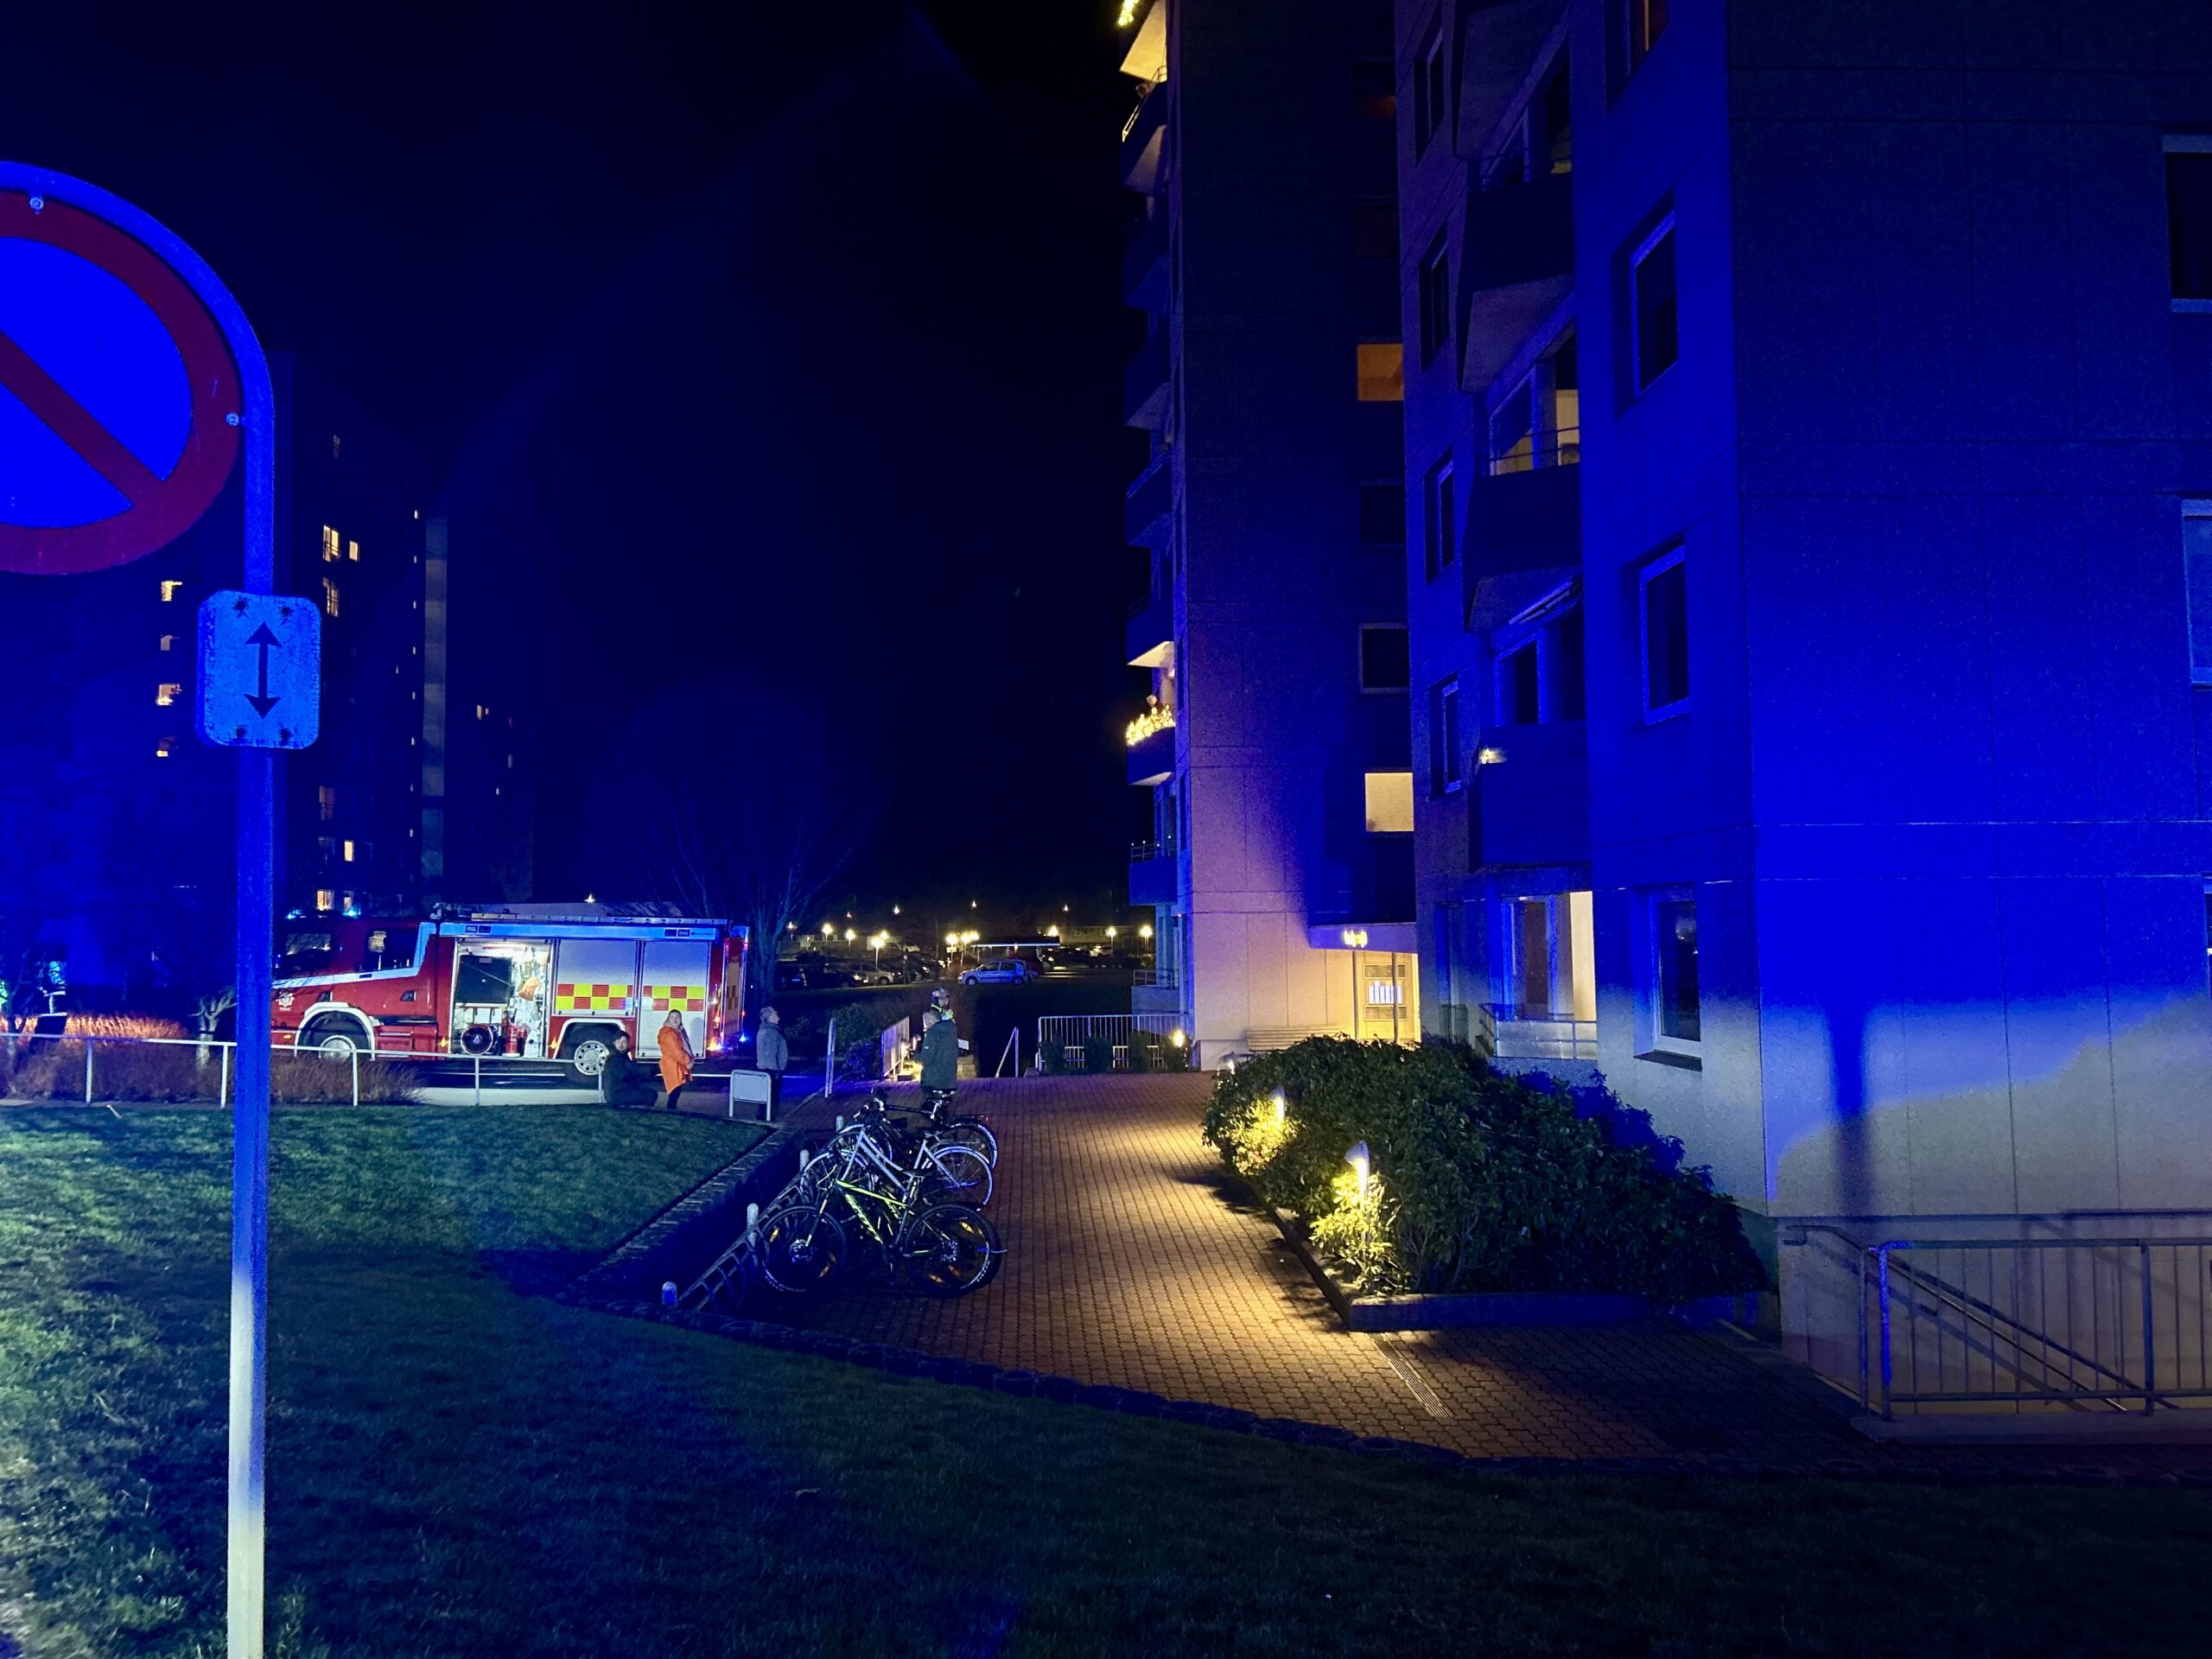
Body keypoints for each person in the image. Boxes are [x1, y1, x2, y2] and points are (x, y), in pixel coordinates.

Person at [600, 1032, 656, 1109]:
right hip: (615, 1095)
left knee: (647, 1091)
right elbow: (625, 1077)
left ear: (628, 1043)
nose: (621, 1044)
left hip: (622, 1091)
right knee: (651, 1095)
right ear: (614, 1043)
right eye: (618, 1042)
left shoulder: (623, 1057)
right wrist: (639, 1079)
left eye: (624, 1042)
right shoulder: (614, 1059)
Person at [918, 989, 959, 1095]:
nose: (945, 1001)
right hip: (935, 1049)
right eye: (941, 999)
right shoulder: (933, 1013)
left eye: (946, 998)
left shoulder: (946, 1012)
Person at [656, 1009, 694, 1111]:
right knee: (674, 1091)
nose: (675, 1020)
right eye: (672, 1018)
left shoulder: (676, 1032)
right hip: (673, 1066)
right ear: (668, 1019)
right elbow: (676, 1051)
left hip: (674, 1064)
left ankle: (671, 1112)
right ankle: (671, 1113)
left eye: (677, 1017)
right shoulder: (670, 1034)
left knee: (675, 1091)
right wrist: (688, 1060)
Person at [754, 1004, 788, 1114]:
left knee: (764, 1098)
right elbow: (770, 1052)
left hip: (766, 1069)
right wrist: (777, 1070)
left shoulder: (764, 1031)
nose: (778, 1017)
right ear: (771, 1018)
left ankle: (763, 1117)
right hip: (772, 1071)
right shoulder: (771, 1032)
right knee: (772, 1098)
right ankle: (768, 1119)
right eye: (775, 1014)